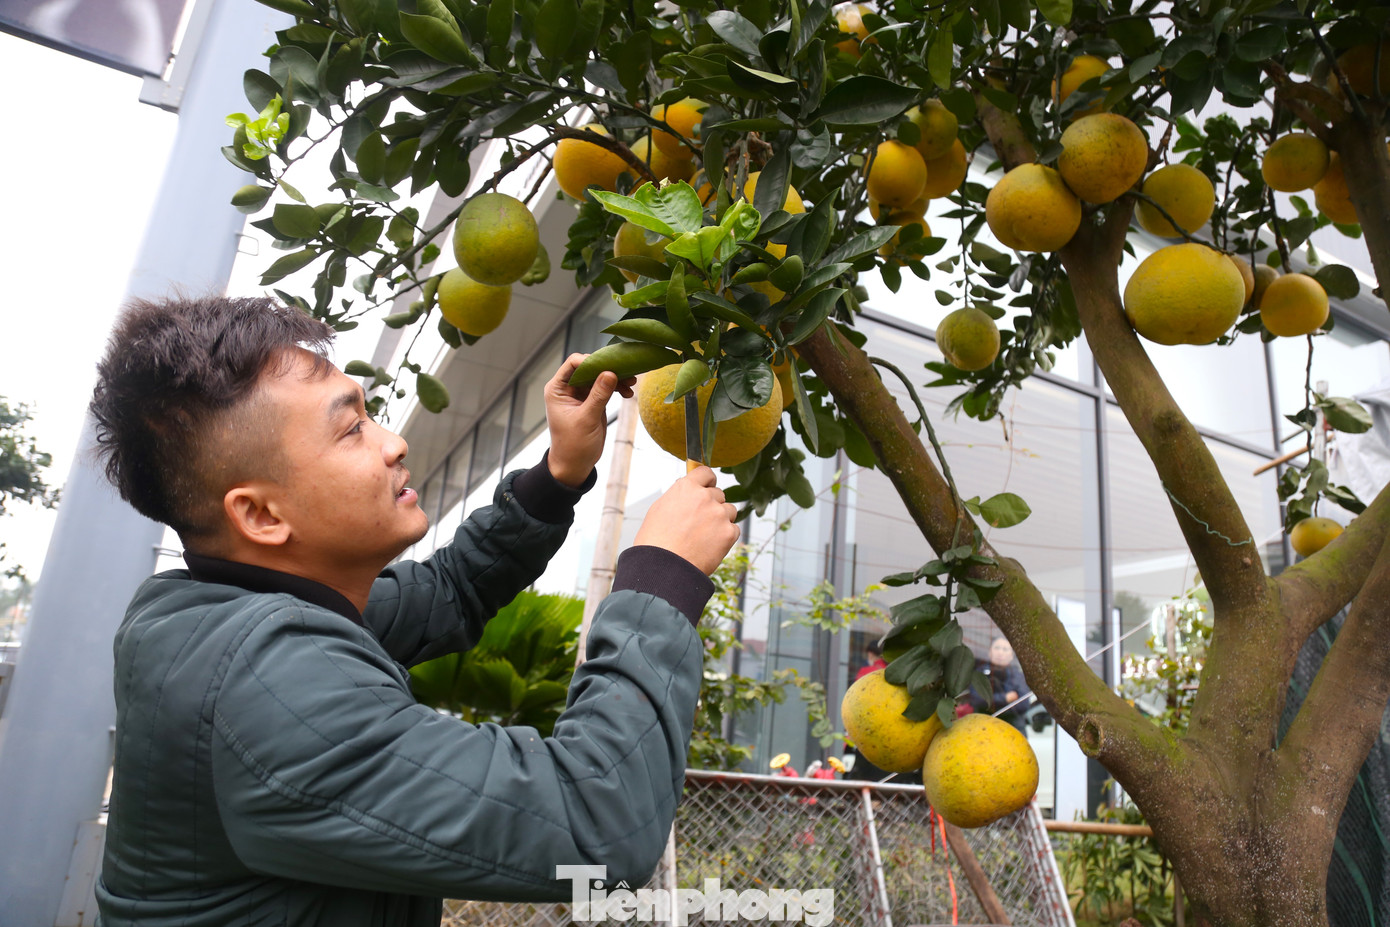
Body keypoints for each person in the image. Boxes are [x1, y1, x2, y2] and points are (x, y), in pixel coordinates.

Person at [88, 296, 741, 926]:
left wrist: (559, 473)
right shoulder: (267, 687)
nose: (393, 442)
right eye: (351, 430)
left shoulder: (231, 609)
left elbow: (447, 591)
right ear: (259, 514)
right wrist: (663, 575)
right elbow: (595, 818)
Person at [969, 636, 1031, 730]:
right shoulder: (979, 673)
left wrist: (991, 702)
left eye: (1005, 649)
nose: (1000, 652)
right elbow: (975, 699)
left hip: (1013, 729)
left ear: (1011, 655)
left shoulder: (1019, 676)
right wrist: (1005, 698)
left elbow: (1023, 705)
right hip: (983, 727)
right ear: (989, 652)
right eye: (997, 648)